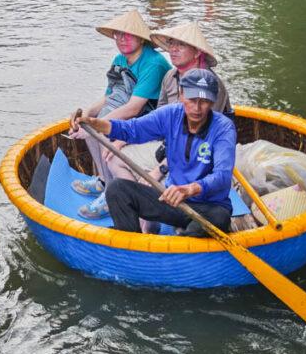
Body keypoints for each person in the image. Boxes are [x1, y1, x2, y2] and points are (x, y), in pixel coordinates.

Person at [75, 68, 236, 237]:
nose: (197, 108)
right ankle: (133, 245)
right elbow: (132, 129)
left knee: (218, 218)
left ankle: (186, 239)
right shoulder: (171, 114)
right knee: (116, 189)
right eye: (191, 99)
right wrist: (93, 123)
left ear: (212, 102)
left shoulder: (223, 127)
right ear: (181, 94)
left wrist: (190, 189)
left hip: (207, 206)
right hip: (171, 201)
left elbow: (223, 176)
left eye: (203, 101)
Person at [69, 10, 171, 218]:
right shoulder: (119, 59)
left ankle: (111, 193)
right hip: (129, 113)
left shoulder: (153, 63)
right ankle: (104, 179)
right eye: (118, 34)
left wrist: (98, 124)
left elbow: (134, 108)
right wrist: (87, 115)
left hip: (149, 118)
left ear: (141, 39)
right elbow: (110, 96)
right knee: (89, 128)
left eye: (128, 35)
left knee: (97, 130)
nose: (122, 40)